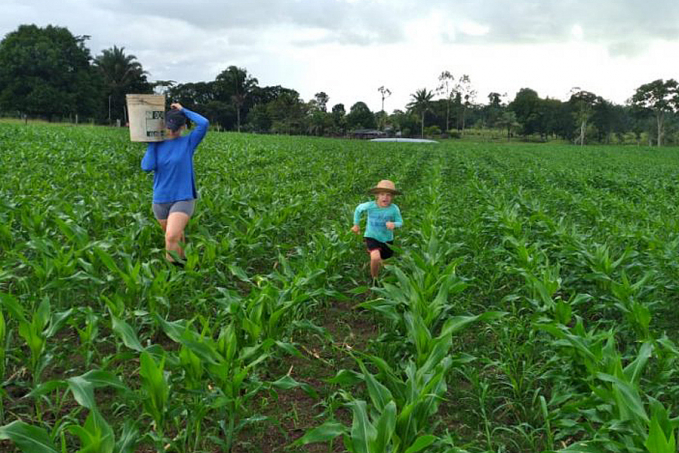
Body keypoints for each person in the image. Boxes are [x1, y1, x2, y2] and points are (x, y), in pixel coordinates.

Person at [141, 102, 209, 265]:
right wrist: (151, 144)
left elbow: (204, 123)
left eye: (175, 127)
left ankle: (172, 275)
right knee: (176, 238)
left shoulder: (188, 143)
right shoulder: (157, 144)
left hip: (183, 198)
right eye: (169, 126)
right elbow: (147, 167)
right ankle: (183, 265)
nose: (171, 131)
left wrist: (183, 109)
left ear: (183, 127)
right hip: (160, 199)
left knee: (171, 236)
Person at [351, 180, 403, 280]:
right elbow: (358, 209)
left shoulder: (394, 208)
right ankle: (375, 279)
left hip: (387, 239)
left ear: (392, 197)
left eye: (388, 195)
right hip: (371, 236)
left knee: (385, 262)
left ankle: (376, 264)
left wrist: (394, 224)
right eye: (382, 194)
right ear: (377, 195)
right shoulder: (370, 206)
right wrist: (356, 224)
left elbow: (400, 222)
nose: (385, 197)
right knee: (375, 257)